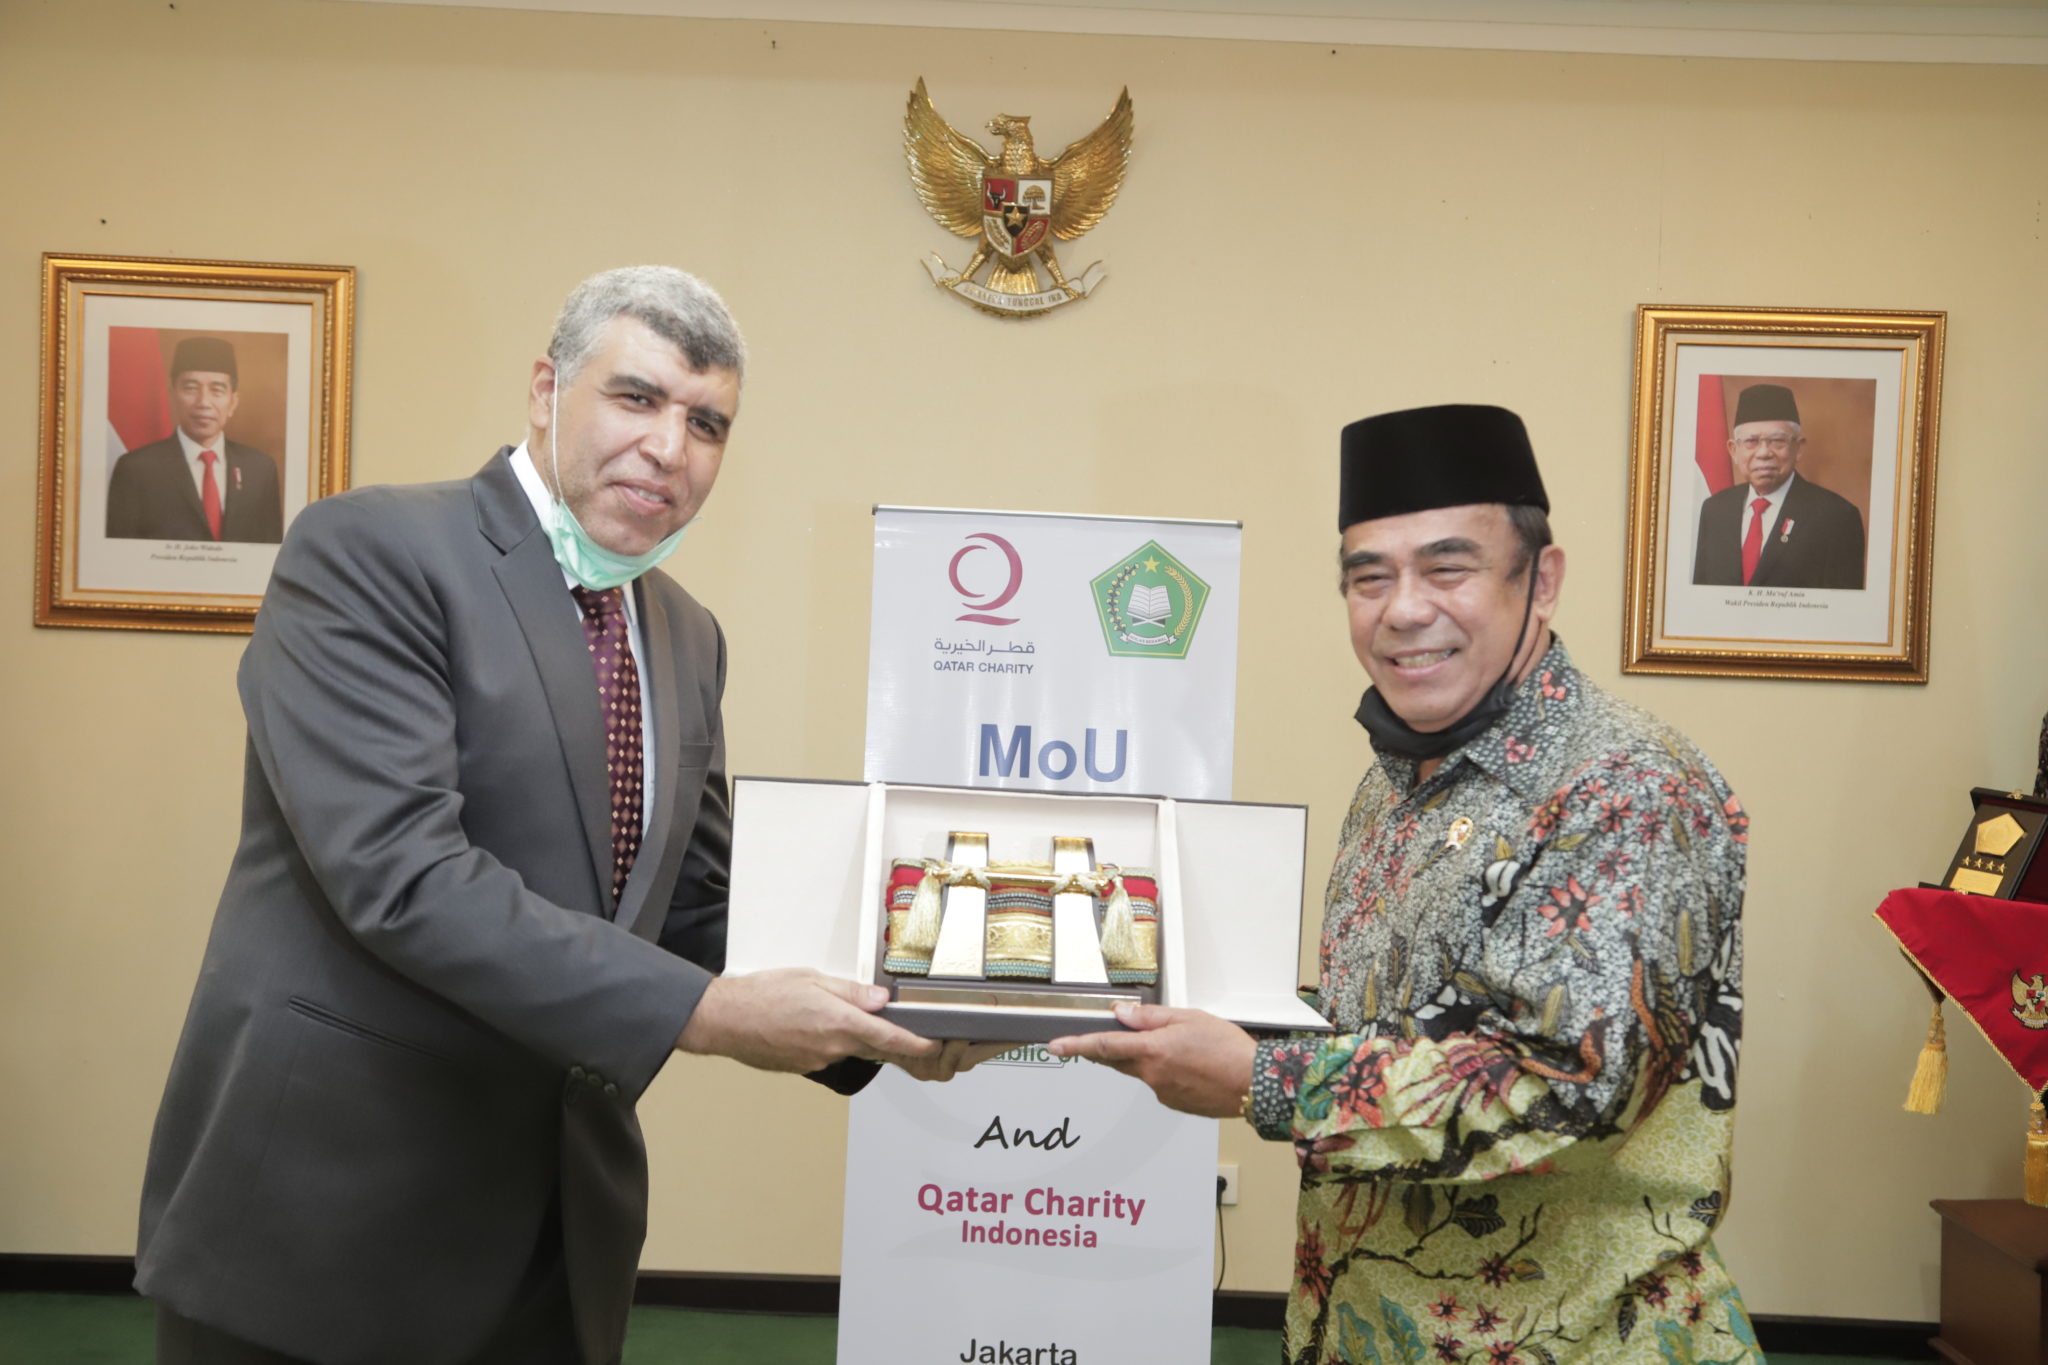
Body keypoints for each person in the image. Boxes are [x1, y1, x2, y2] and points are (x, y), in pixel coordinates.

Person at [136, 267, 960, 1365]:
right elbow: (402, 879)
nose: (670, 447)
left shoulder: (683, 632)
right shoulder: (371, 551)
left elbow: (693, 905)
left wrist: (898, 1010)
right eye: (636, 398)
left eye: (705, 422)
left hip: (561, 1241)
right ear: (544, 389)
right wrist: (709, 1015)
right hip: (332, 1226)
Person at [1051, 405, 1757, 1363]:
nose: (1403, 609)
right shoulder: (1398, 782)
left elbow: (1565, 1082)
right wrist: (1206, 1009)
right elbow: (1399, 1024)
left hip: (1580, 1336)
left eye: (1447, 567)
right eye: (1368, 576)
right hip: (1366, 1322)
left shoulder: (1625, 786)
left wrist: (1262, 1077)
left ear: (1541, 580)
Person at [106, 336, 285, 543]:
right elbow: (119, 557)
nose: (203, 402)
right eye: (191, 388)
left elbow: (270, 553)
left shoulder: (260, 469)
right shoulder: (135, 468)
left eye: (217, 390)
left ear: (233, 401)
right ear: (172, 394)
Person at [1692, 382, 1865, 589]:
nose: (1764, 453)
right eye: (1751, 441)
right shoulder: (1715, 510)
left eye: (1777, 441)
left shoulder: (1836, 518)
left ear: (1798, 448)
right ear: (1733, 450)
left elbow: (1842, 612)